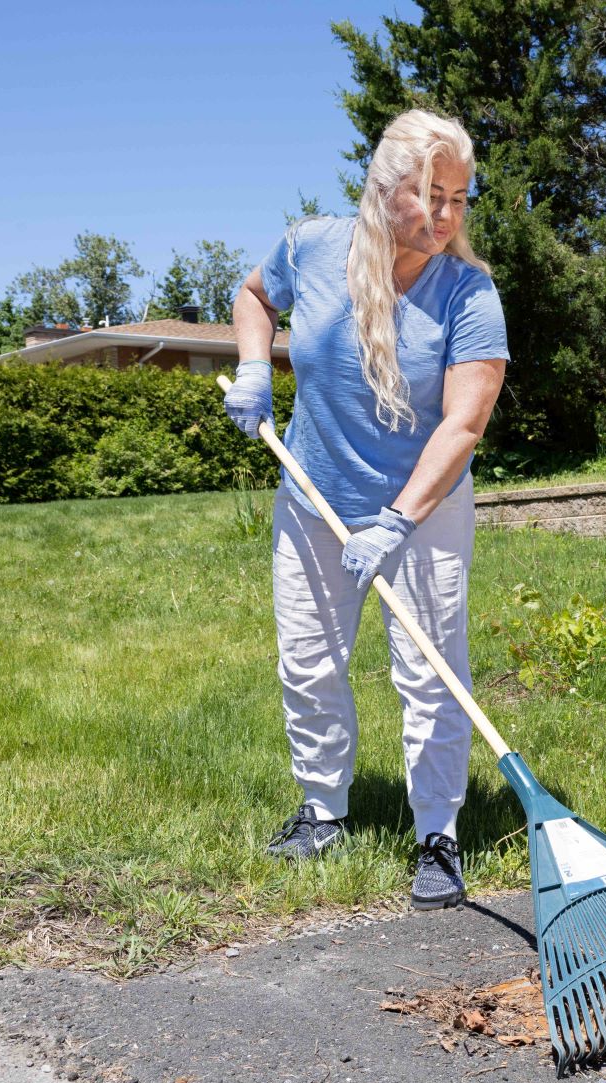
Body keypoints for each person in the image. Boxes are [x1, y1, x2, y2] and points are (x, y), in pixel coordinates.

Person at [224, 108, 508, 910]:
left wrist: (399, 520)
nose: (447, 214)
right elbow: (253, 296)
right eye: (430, 194)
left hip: (423, 508)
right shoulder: (312, 248)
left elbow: (465, 422)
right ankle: (321, 811)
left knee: (430, 671)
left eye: (459, 197)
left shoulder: (469, 292)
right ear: (383, 189)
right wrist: (253, 367)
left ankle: (438, 833)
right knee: (309, 660)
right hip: (314, 495)